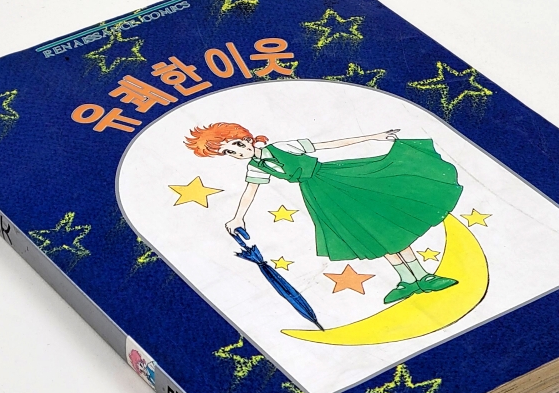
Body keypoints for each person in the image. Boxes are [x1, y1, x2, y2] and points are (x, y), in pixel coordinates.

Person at [185, 122, 463, 304]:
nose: (237, 152)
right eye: (228, 152)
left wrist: (374, 136)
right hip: (319, 197)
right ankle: (407, 279)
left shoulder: (281, 147)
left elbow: (329, 145)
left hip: (340, 180)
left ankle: (423, 276)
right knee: (366, 233)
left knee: (383, 224)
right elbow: (250, 190)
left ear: (246, 138)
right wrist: (238, 217)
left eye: (236, 144)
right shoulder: (256, 167)